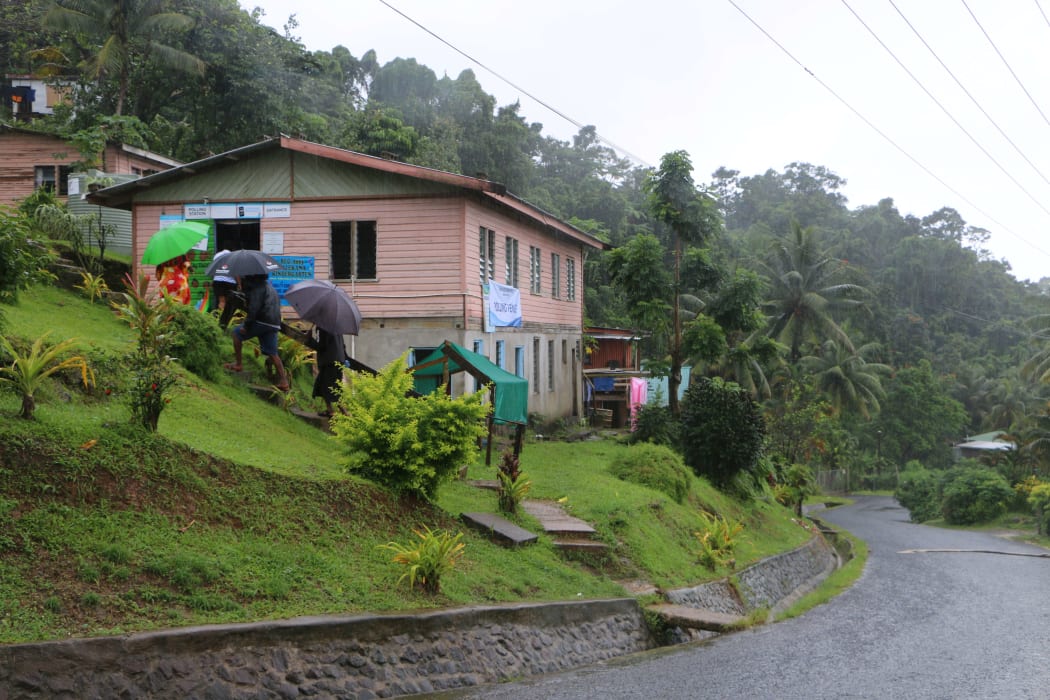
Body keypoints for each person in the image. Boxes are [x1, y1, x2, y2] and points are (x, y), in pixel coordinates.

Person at [226, 274, 290, 392]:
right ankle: (284, 381)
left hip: (262, 321)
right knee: (272, 353)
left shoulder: (257, 288)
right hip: (274, 323)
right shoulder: (269, 287)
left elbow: (254, 309)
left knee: (236, 333)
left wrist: (246, 325)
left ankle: (239, 364)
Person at [306, 325, 348, 417]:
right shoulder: (337, 327)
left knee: (331, 387)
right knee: (325, 385)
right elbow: (343, 346)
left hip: (329, 362)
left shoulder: (323, 327)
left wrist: (309, 340)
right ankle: (331, 410)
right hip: (338, 360)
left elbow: (321, 346)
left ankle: (345, 413)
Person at [209, 250, 241, 328]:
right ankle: (225, 322)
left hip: (218, 281)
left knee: (221, 301)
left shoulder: (217, 256)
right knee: (229, 304)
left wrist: (213, 280)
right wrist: (239, 284)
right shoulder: (233, 258)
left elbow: (213, 270)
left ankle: (218, 320)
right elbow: (236, 273)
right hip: (230, 283)